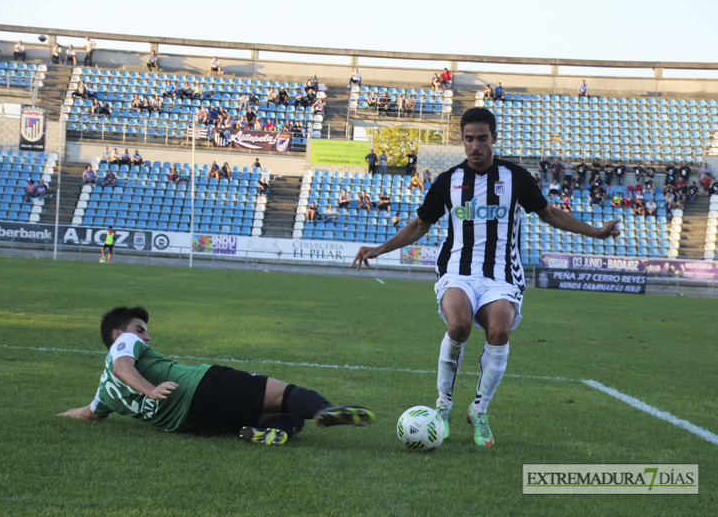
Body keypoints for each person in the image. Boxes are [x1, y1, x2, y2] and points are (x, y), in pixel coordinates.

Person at [351, 107, 620, 447]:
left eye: (481, 138)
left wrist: (596, 232)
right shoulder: (448, 181)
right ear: (462, 140)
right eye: (468, 139)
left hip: (502, 275)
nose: (475, 146)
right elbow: (421, 224)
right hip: (457, 271)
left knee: (499, 330)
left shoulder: (516, 178)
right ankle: (443, 407)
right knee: (459, 325)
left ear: (494, 138)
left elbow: (549, 213)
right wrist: (379, 249)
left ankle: (479, 411)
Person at [58, 307, 374, 445]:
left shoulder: (105, 395)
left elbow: (88, 413)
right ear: (118, 334)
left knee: (290, 417)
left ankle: (275, 433)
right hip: (202, 386)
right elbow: (122, 367)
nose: (146, 337)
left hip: (192, 425)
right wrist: (151, 390)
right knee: (287, 394)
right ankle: (326, 410)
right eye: (140, 330)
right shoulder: (124, 343)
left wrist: (67, 414)